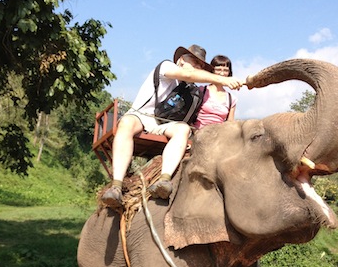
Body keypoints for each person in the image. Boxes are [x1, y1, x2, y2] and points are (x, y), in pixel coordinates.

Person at [102, 44, 244, 209]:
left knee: (183, 129)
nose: (197, 67)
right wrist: (224, 80)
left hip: (161, 123)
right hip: (141, 116)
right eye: (195, 62)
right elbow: (190, 74)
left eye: (201, 65)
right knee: (126, 123)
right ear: (181, 60)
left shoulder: (192, 89)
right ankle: (116, 186)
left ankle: (164, 180)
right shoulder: (167, 67)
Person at [193, 55, 237, 129]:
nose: (222, 73)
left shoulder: (231, 99)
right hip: (198, 132)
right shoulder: (201, 91)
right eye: (218, 70)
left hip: (219, 136)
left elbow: (230, 124)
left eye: (225, 70)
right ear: (212, 71)